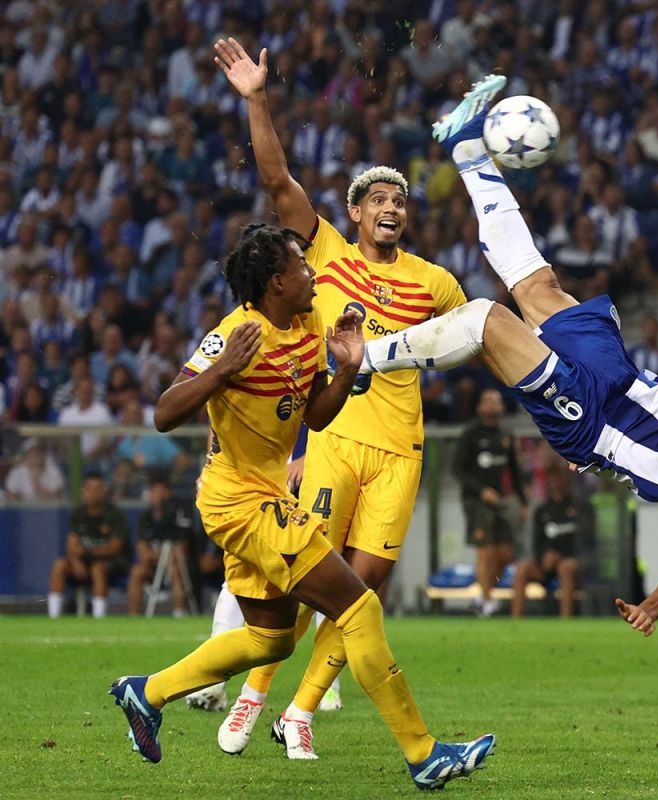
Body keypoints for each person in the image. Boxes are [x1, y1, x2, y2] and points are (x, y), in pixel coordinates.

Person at [347, 75, 658, 637]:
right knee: (537, 285)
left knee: (488, 319)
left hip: (592, 420)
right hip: (621, 380)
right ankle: (466, 147)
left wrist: (653, 606)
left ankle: (361, 358)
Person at [108, 224, 493, 789]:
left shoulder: (311, 322)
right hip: (239, 501)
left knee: (272, 639)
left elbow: (315, 415)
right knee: (358, 607)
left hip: (262, 495)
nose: (313, 273)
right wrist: (220, 372)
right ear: (274, 283)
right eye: (301, 267)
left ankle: (147, 694)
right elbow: (165, 413)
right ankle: (423, 752)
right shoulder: (237, 333)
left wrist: (346, 368)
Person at [204, 38, 469, 760]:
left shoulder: (436, 283)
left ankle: (300, 709)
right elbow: (275, 177)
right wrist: (257, 98)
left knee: (366, 590)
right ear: (352, 212)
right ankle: (254, 694)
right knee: (307, 586)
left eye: (401, 201)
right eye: (379, 199)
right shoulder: (322, 254)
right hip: (333, 440)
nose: (392, 208)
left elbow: (481, 338)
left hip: (401, 451)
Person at [455, 387, 528, 617]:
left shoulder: (505, 436)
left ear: (502, 407)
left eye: (496, 401)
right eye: (488, 401)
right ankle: (487, 601)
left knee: (505, 552)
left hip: (499, 499)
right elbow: (458, 469)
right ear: (479, 407)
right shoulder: (470, 433)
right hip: (475, 500)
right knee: (485, 550)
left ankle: (483, 594)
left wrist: (523, 500)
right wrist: (481, 490)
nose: (493, 405)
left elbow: (514, 471)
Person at [511, 463, 592, 618]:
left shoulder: (577, 508)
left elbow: (582, 540)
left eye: (560, 479)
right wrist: (543, 558)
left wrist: (560, 555)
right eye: (553, 479)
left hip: (570, 562)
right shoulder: (542, 510)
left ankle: (565, 619)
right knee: (522, 569)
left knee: (566, 568)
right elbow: (537, 541)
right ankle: (516, 619)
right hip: (545, 563)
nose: (556, 483)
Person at [47, 473, 129, 618]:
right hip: (82, 562)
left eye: (97, 489)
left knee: (98, 568)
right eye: (89, 489)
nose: (93, 493)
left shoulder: (115, 514)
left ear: (104, 491)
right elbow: (71, 545)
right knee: (59, 565)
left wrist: (87, 552)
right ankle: (54, 616)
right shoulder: (78, 514)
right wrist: (75, 561)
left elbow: (115, 548)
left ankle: (99, 617)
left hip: (111, 564)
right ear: (83, 491)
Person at [127, 476, 195, 617]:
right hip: (153, 565)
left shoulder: (178, 515)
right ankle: (133, 616)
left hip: (176, 564)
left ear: (167, 493)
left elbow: (182, 550)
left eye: (159, 491)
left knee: (176, 569)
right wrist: (160, 557)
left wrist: (164, 558)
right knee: (137, 572)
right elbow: (142, 551)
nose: (156, 495)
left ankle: (178, 614)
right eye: (153, 491)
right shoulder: (145, 517)